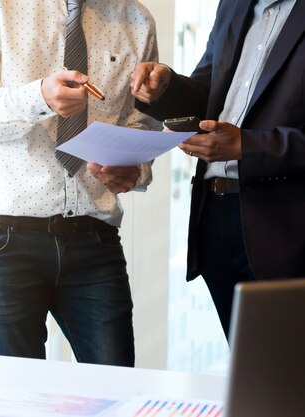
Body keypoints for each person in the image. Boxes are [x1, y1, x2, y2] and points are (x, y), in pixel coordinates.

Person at [0, 0, 160, 365]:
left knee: (116, 387)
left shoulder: (137, 19)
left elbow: (141, 121)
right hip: (6, 240)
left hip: (95, 239)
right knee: (19, 397)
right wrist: (39, 96)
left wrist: (133, 168)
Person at [130, 0, 305, 337]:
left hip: (286, 231)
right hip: (215, 218)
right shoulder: (234, 6)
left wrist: (247, 146)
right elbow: (210, 97)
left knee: (289, 377)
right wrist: (167, 87)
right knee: (248, 373)